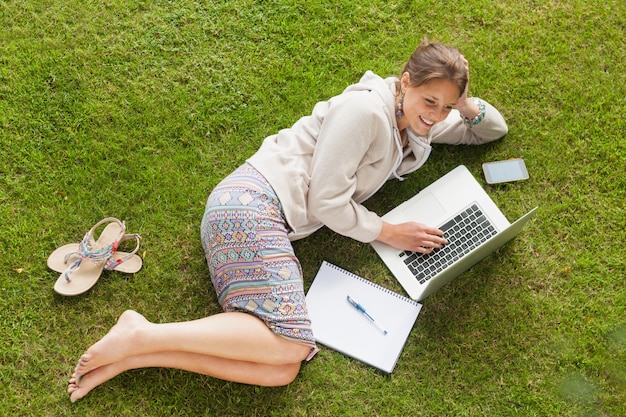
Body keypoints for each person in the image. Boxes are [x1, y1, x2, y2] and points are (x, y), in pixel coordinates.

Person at [67, 39, 508, 402]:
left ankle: (137, 352)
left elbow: (493, 130)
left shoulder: (422, 119)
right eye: (430, 100)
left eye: (445, 108)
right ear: (405, 83)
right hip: (250, 204)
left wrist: (462, 102)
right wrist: (389, 232)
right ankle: (141, 333)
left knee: (281, 371)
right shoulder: (366, 112)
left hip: (262, 215)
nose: (435, 115)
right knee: (294, 345)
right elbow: (326, 202)